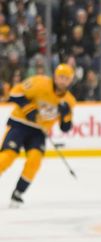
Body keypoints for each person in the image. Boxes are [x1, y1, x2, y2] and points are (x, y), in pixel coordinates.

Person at [0, 63, 76, 207]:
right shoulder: (40, 83)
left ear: (71, 80)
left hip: (39, 131)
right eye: (61, 77)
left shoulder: (69, 101)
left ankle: (18, 193)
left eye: (67, 78)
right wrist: (29, 109)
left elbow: (65, 128)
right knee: (6, 157)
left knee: (35, 160)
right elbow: (15, 93)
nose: (63, 81)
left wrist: (65, 114)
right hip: (20, 124)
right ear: (55, 76)